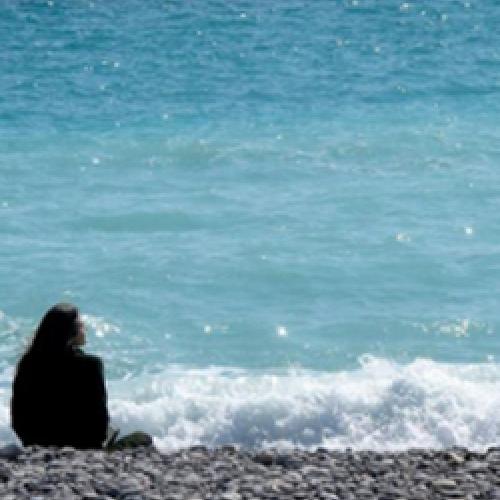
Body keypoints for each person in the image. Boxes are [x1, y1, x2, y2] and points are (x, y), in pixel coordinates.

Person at [11, 303, 109, 449]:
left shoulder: (28, 363)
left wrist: (32, 442)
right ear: (72, 331)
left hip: (36, 443)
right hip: (83, 444)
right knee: (140, 438)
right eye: (82, 326)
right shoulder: (90, 365)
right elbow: (99, 418)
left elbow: (18, 415)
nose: (85, 330)